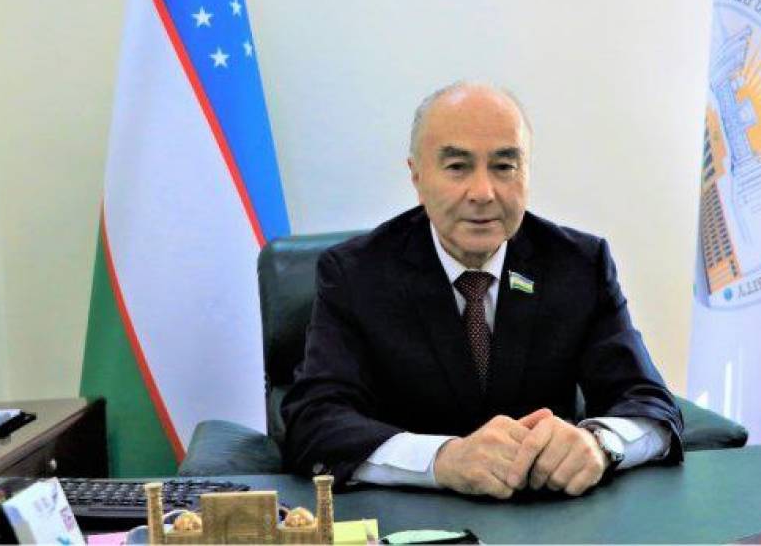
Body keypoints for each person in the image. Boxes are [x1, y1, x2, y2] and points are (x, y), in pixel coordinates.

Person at [281, 81, 683, 498]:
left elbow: (650, 404)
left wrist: (600, 443)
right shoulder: (356, 274)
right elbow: (313, 422)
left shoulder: (578, 265)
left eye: (504, 167)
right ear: (417, 176)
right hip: (413, 516)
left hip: (547, 514)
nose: (483, 193)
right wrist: (441, 459)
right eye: (458, 167)